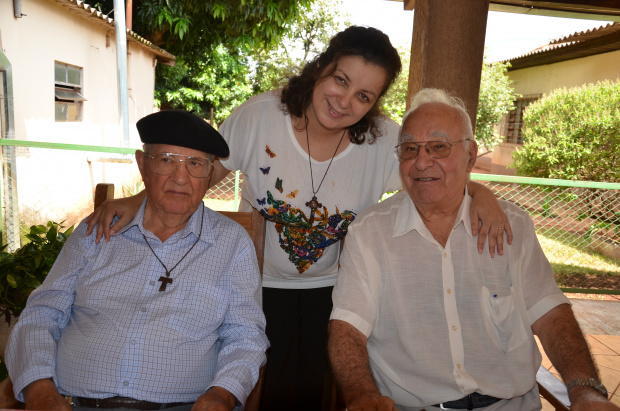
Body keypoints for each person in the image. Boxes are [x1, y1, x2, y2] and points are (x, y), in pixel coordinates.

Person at [86, 27, 512, 411]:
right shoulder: (259, 118)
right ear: (320, 69)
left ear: (374, 103)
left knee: (316, 389)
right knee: (253, 383)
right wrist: (141, 196)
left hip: (334, 291)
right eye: (340, 80)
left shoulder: (383, 140)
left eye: (364, 96)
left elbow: (430, 176)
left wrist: (481, 192)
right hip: (251, 283)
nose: (345, 102)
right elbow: (200, 173)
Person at [327, 88, 619, 411]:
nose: (422, 161)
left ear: (470, 155)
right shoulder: (370, 233)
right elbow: (347, 329)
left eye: (438, 147)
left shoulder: (513, 227)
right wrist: (361, 393)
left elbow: (551, 315)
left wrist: (585, 389)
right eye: (410, 149)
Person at [5, 110, 269, 411]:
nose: (180, 177)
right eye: (167, 160)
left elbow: (245, 336)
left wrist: (222, 393)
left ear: (209, 174)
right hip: (72, 404)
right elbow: (42, 314)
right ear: (143, 165)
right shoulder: (95, 233)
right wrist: (39, 388)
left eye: (195, 164)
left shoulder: (232, 244)